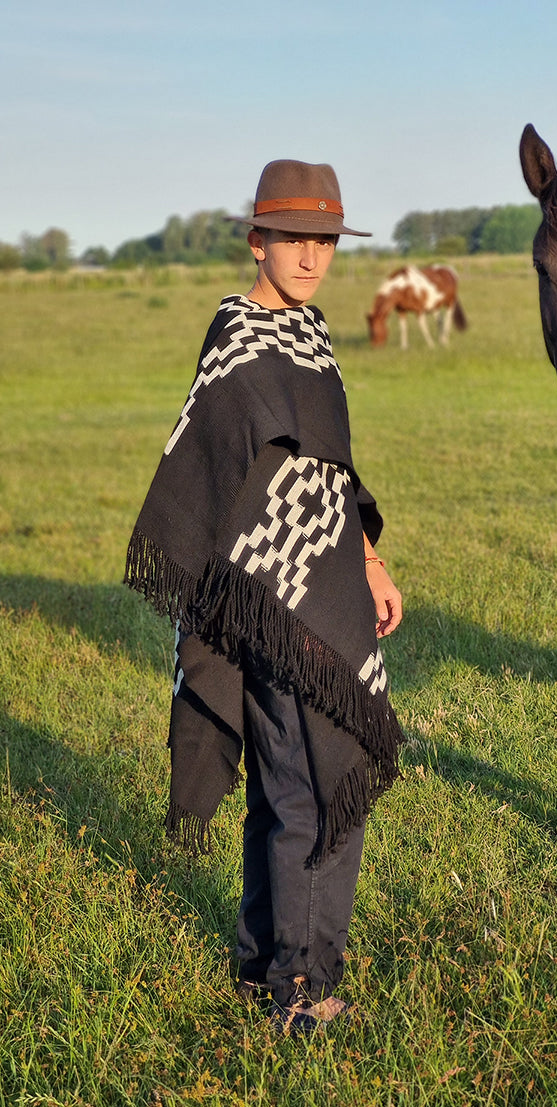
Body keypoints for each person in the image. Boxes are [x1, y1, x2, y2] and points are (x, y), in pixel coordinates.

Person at [124, 159, 404, 1035]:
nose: (312, 256)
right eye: (294, 239)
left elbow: (332, 470)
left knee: (290, 785)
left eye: (324, 240)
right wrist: (246, 580)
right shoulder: (239, 335)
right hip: (266, 597)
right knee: (307, 788)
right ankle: (301, 989)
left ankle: (259, 966)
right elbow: (208, 469)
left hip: (326, 584)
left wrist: (368, 561)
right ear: (258, 241)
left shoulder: (314, 337)